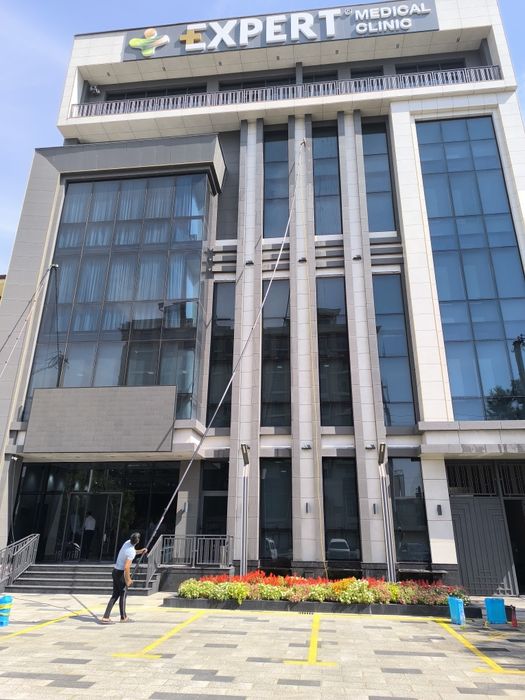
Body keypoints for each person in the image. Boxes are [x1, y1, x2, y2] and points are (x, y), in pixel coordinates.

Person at [100, 532, 147, 624]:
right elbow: (126, 567)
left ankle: (106, 617)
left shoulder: (127, 543)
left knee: (115, 595)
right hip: (121, 573)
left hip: (115, 571)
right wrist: (128, 579)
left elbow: (132, 551)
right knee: (123, 594)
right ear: (137, 542)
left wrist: (141, 551)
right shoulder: (131, 551)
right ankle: (123, 617)